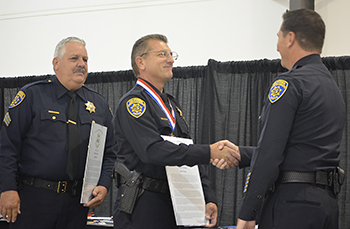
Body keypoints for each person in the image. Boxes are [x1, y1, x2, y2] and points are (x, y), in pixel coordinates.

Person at [214, 9, 345, 229]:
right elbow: (301, 149)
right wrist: (242, 153)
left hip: (292, 205)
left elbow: (270, 152)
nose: (277, 46)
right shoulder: (332, 87)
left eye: (278, 37)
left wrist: (248, 213)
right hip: (326, 205)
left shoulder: (290, 84)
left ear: (290, 38)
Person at [112, 34, 240, 229]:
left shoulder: (172, 104)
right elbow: (153, 151)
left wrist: (207, 197)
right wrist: (209, 152)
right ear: (141, 62)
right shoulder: (134, 103)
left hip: (176, 203)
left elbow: (186, 151)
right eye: (163, 54)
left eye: (172, 55)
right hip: (144, 202)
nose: (171, 60)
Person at [0, 37, 117, 229]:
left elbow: (110, 152)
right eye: (74, 58)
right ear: (56, 63)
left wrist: (103, 185)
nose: (81, 64)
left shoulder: (99, 105)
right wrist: (7, 188)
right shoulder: (32, 96)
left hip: (76, 203)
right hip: (34, 199)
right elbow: (7, 146)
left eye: (85, 60)